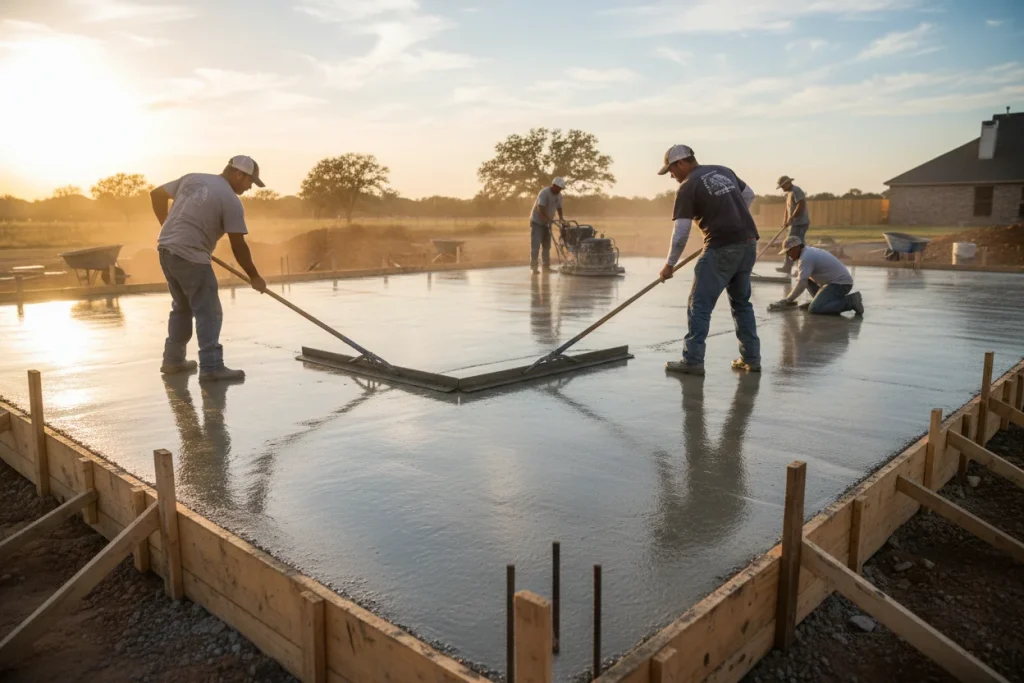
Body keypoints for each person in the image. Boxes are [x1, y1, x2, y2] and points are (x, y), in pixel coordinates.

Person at [151, 155, 268, 382]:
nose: (249, 187)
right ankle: (212, 366)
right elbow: (238, 244)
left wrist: (168, 227)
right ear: (238, 174)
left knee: (182, 308)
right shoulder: (230, 200)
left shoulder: (193, 179)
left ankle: (173, 360)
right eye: (249, 182)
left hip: (166, 250)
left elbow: (155, 194)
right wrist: (254, 276)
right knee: (209, 311)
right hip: (191, 256)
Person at [657, 144, 760, 375]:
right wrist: (733, 219)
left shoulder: (687, 187)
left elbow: (681, 233)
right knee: (742, 305)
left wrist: (669, 265)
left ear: (681, 163)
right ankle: (751, 359)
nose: (671, 176)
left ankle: (692, 361)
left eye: (671, 171)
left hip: (721, 247)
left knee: (699, 305)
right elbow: (749, 195)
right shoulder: (723, 170)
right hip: (748, 243)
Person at [771, 236, 864, 315]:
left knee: (814, 309)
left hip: (840, 285)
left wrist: (787, 300)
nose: (788, 255)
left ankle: (851, 301)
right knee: (806, 279)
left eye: (789, 251)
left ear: (796, 248)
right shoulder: (807, 252)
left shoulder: (806, 257)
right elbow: (803, 279)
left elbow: (801, 283)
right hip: (832, 283)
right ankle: (819, 301)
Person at [529, 177, 565, 273]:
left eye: (561, 189)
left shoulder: (559, 195)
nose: (560, 190)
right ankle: (534, 268)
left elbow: (559, 207)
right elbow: (540, 208)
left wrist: (561, 218)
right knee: (535, 245)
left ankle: (546, 267)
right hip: (537, 222)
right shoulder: (544, 193)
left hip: (547, 222)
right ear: (554, 185)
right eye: (558, 188)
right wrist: (546, 220)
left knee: (547, 246)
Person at [776, 175, 810, 274]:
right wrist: (785, 221)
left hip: (800, 223)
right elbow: (787, 209)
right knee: (798, 245)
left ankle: (789, 267)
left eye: (783, 186)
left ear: (788, 183)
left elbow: (801, 205)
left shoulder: (796, 190)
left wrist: (792, 218)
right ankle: (801, 267)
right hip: (794, 224)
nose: (782, 188)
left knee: (792, 245)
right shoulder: (789, 193)